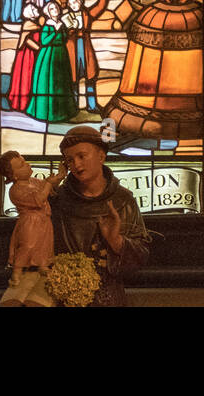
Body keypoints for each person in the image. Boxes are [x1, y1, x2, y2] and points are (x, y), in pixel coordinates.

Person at [49, 126, 151, 307]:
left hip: (109, 297)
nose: (77, 165)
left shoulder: (123, 200)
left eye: (82, 156)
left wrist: (116, 241)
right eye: (70, 160)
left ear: (101, 156)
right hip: (66, 297)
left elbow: (140, 257)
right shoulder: (58, 200)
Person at [0, 151, 68, 307]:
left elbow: (48, 187)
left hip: (44, 221)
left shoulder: (34, 181)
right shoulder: (15, 190)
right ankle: (17, 272)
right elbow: (38, 200)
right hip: (30, 223)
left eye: (25, 161)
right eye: (22, 165)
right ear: (14, 176)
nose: (27, 165)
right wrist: (49, 183)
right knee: (27, 246)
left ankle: (43, 265)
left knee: (44, 245)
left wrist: (60, 176)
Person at [56, 0, 111, 114]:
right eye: (70, 3)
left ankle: (91, 106)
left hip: (85, 47)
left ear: (80, 2)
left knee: (90, 78)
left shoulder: (86, 14)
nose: (72, 5)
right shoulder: (66, 17)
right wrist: (70, 29)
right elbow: (63, 34)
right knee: (73, 79)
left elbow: (98, 8)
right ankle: (73, 106)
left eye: (74, 2)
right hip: (72, 49)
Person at [25, 1, 77, 123]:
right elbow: (44, 41)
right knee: (49, 82)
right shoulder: (48, 25)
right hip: (48, 55)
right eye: (52, 8)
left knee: (61, 82)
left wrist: (66, 29)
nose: (55, 10)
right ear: (48, 12)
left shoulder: (61, 23)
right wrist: (55, 30)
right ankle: (46, 113)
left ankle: (63, 112)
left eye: (56, 8)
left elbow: (64, 38)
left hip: (61, 54)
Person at [6, 2, 42, 112]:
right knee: (26, 77)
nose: (37, 12)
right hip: (27, 56)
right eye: (35, 10)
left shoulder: (32, 23)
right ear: (30, 13)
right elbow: (27, 41)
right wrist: (39, 48)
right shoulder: (28, 24)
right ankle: (22, 103)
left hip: (31, 54)